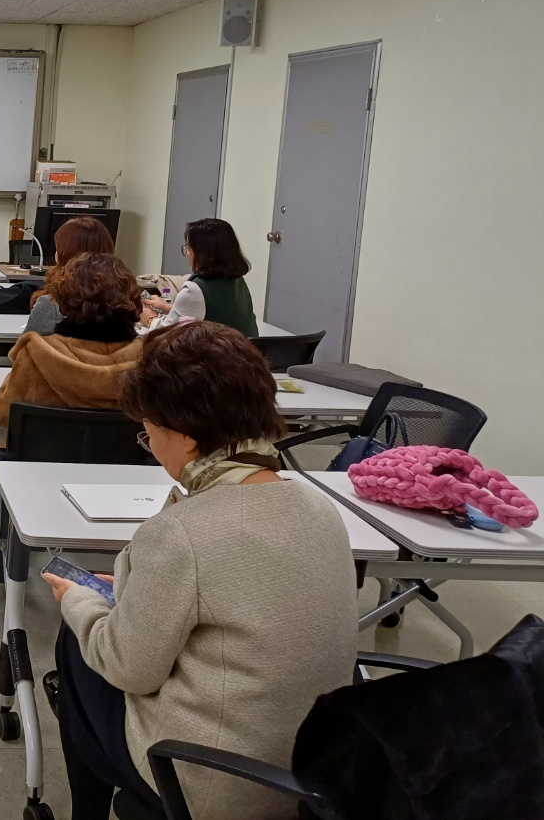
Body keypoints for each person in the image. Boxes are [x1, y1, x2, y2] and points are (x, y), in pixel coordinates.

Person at [41, 321, 358, 820]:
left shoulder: (181, 533)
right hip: (320, 773)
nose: (149, 444)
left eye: (148, 432)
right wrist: (134, 591)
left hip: (217, 785)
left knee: (80, 645)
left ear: (185, 437)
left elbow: (129, 668)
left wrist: (78, 601)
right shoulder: (319, 507)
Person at [0, 253, 143, 429]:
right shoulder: (149, 362)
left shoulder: (36, 356)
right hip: (121, 448)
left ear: (64, 298)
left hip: (45, 447)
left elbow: (1, 415)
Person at [142, 218, 258, 337]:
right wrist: (167, 308)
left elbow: (169, 332)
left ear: (202, 253)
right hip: (245, 347)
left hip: (219, 349)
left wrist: (150, 319)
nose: (186, 253)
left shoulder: (195, 290)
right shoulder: (238, 281)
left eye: (188, 247)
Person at [26, 215, 118, 335]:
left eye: (58, 248)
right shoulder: (124, 304)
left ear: (65, 254)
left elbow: (26, 345)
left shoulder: (50, 305)